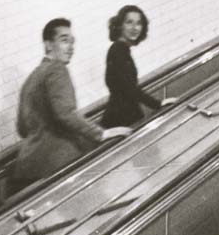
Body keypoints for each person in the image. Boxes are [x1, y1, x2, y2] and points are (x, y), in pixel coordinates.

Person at [12, 18, 130, 192]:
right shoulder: (57, 69)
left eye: (72, 42)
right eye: (64, 40)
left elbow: (22, 128)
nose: (71, 47)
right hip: (57, 164)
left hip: (27, 168)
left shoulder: (31, 79)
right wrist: (100, 134)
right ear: (48, 45)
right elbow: (65, 113)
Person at [102, 5, 177, 129]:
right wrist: (157, 103)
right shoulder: (118, 50)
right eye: (129, 22)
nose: (134, 28)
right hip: (121, 119)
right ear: (120, 25)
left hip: (124, 115)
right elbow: (129, 88)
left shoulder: (121, 49)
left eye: (138, 23)